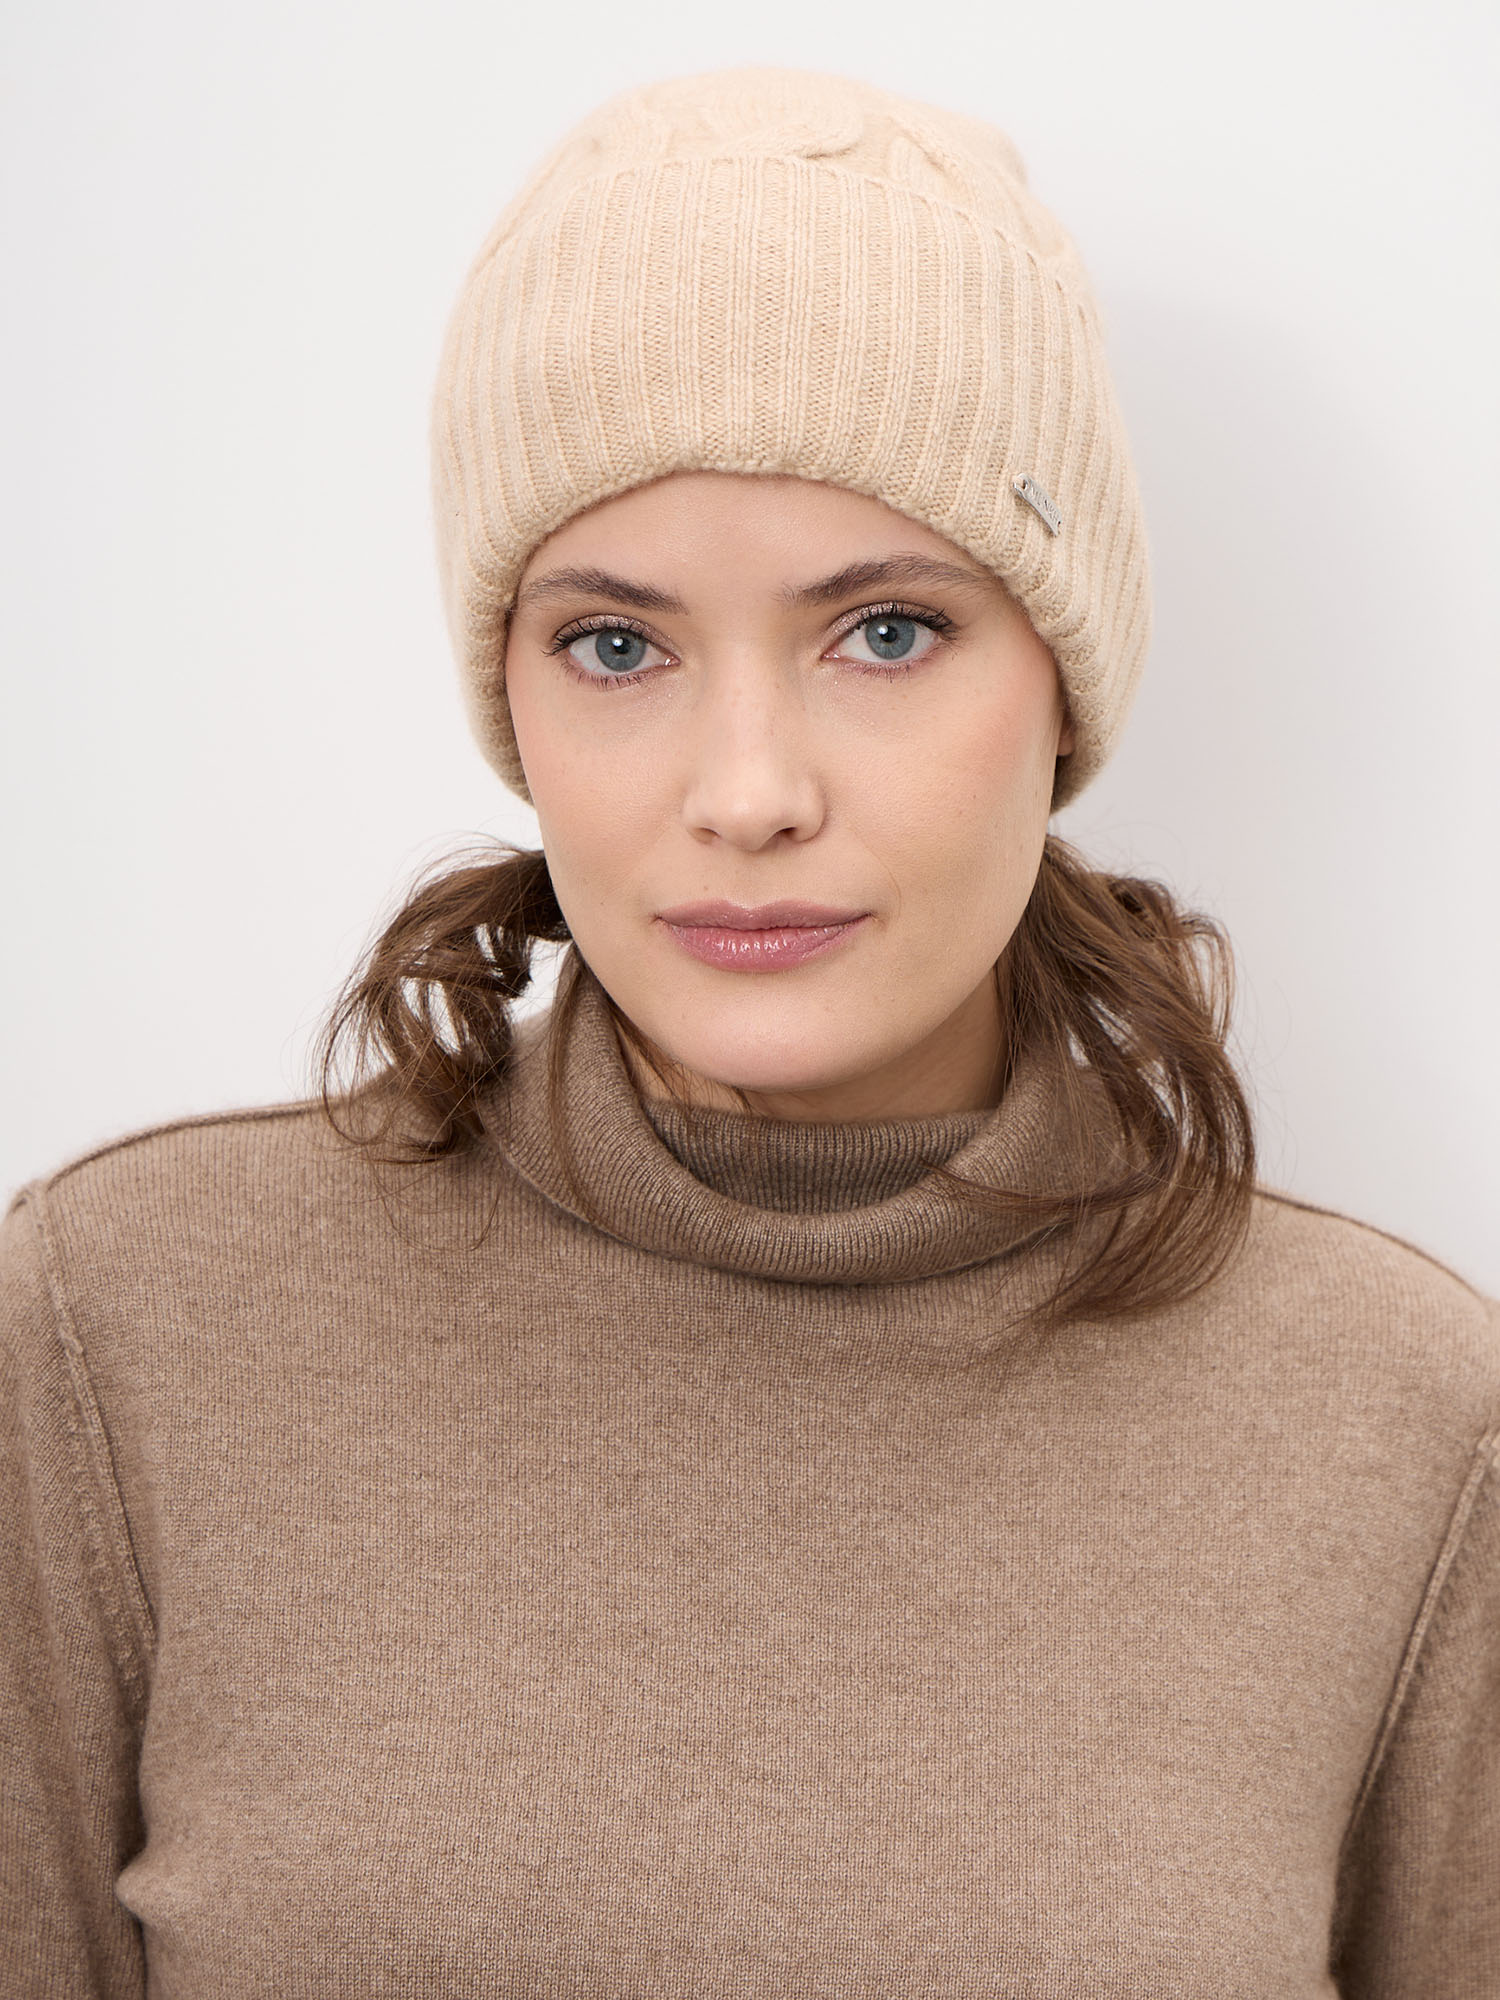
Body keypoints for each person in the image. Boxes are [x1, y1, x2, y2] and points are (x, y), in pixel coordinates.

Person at [2, 65, 1496, 2000]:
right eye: (617, 645)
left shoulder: (1401, 1416)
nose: (749, 792)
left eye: (887, 631)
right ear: (513, 697)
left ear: (1064, 679)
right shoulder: (120, 1332)